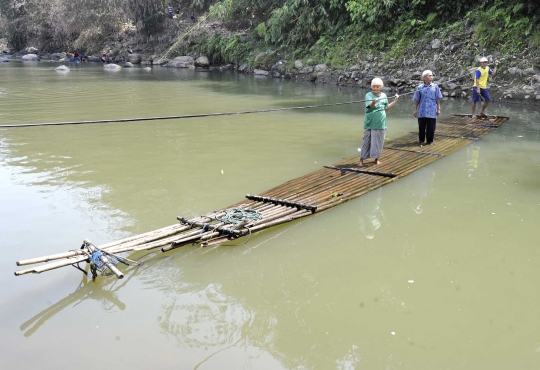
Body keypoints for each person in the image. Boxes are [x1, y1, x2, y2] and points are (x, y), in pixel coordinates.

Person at [359, 78, 399, 167]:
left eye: (377, 87)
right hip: (369, 122)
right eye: (374, 86)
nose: (375, 88)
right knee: (366, 141)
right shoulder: (368, 95)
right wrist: (373, 102)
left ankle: (376, 159)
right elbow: (370, 106)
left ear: (381, 87)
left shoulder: (384, 95)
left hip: (381, 122)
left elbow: (386, 108)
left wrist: (395, 101)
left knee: (379, 142)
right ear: (371, 87)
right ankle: (361, 160)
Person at [413, 70, 442, 145]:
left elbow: (438, 98)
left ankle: (430, 141)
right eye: (430, 75)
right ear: (425, 77)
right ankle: (421, 140)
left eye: (432, 75)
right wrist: (415, 110)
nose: (432, 77)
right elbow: (417, 100)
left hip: (432, 111)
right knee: (421, 127)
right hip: (422, 111)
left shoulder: (435, 87)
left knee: (431, 127)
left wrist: (438, 109)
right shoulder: (420, 87)